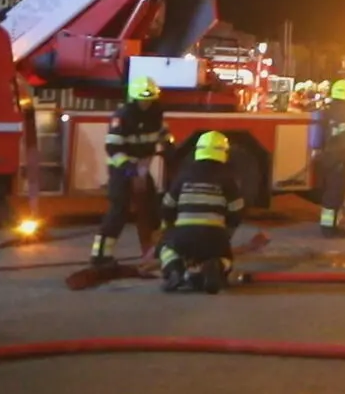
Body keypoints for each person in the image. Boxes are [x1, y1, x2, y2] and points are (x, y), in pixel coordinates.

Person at [90, 75, 171, 269]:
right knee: (119, 210)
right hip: (122, 169)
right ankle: (100, 255)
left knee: (152, 208)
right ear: (133, 99)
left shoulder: (156, 114)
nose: (146, 103)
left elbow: (164, 134)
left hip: (142, 167)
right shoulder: (123, 117)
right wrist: (129, 168)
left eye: (149, 99)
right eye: (143, 100)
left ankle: (154, 250)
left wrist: (169, 146)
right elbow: (113, 148)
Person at [157, 131, 245, 294]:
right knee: (227, 259)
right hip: (215, 235)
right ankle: (216, 265)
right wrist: (227, 233)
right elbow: (237, 209)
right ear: (223, 152)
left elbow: (167, 205)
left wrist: (169, 230)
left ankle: (175, 271)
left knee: (166, 251)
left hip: (184, 234)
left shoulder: (183, 174)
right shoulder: (228, 177)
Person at [317, 79, 345, 238]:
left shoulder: (333, 110)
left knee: (333, 192)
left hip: (330, 157)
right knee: (335, 192)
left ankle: (331, 225)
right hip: (337, 158)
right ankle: (329, 228)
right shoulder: (343, 113)